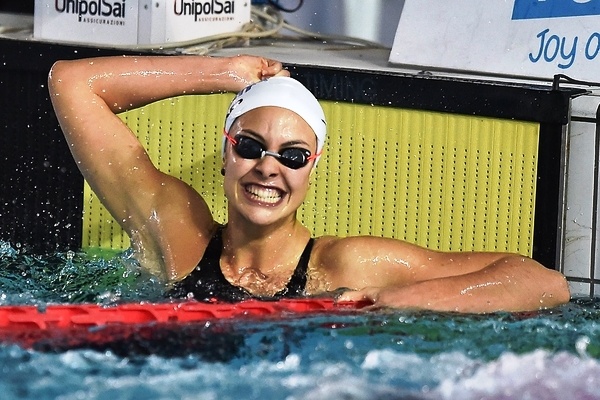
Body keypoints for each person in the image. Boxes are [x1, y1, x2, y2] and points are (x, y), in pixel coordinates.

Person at [48, 54, 570, 313]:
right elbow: (71, 83)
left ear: (312, 166)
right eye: (250, 146)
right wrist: (224, 72)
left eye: (292, 156)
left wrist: (407, 299)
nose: (268, 167)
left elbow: (544, 282)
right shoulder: (177, 236)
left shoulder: (345, 266)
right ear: (227, 149)